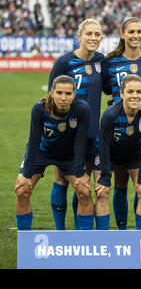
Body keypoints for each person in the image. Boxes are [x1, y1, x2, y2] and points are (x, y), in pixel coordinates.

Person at [47, 18, 111, 230]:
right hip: (66, 133)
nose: (93, 38)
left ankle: (78, 233)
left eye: (97, 34)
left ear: (101, 38)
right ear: (79, 37)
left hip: (91, 132)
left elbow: (109, 89)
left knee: (82, 185)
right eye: (89, 34)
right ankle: (59, 232)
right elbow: (50, 98)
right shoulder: (64, 62)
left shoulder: (101, 62)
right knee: (61, 179)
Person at [15, 76, 93, 230]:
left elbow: (80, 142)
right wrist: (27, 174)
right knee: (22, 190)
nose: (63, 98)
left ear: (74, 94)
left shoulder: (82, 108)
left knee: (84, 190)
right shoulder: (39, 108)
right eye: (59, 93)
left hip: (69, 155)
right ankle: (25, 241)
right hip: (41, 153)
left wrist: (79, 173)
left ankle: (85, 240)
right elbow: (34, 141)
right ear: (51, 92)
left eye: (68, 94)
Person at [97, 75, 141, 230]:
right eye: (130, 91)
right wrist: (104, 176)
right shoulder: (110, 114)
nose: (135, 96)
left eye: (139, 92)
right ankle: (108, 236)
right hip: (109, 155)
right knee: (102, 192)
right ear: (122, 94)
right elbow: (103, 146)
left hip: (135, 154)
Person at [105, 17, 141, 103]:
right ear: (122, 34)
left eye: (139, 32)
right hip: (118, 115)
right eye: (131, 32)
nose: (136, 36)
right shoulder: (110, 61)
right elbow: (107, 90)